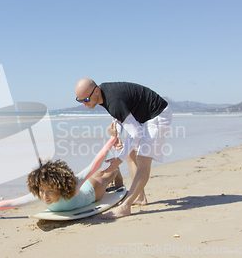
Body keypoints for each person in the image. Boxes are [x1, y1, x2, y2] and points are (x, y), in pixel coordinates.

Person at [0, 122, 123, 215]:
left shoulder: (73, 186)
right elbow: (11, 204)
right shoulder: (39, 197)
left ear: (61, 188)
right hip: (84, 189)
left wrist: (111, 139)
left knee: (104, 175)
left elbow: (94, 163)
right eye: (42, 190)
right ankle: (113, 171)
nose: (44, 196)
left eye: (50, 191)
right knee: (99, 173)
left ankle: (116, 172)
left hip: (91, 192)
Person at [74, 78, 172, 219]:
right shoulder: (104, 94)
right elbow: (122, 114)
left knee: (143, 161)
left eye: (86, 100)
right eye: (80, 100)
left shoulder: (113, 101)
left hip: (157, 115)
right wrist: (117, 135)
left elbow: (135, 132)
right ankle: (140, 197)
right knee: (129, 153)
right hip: (142, 116)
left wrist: (118, 159)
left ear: (96, 91)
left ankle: (125, 207)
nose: (84, 104)